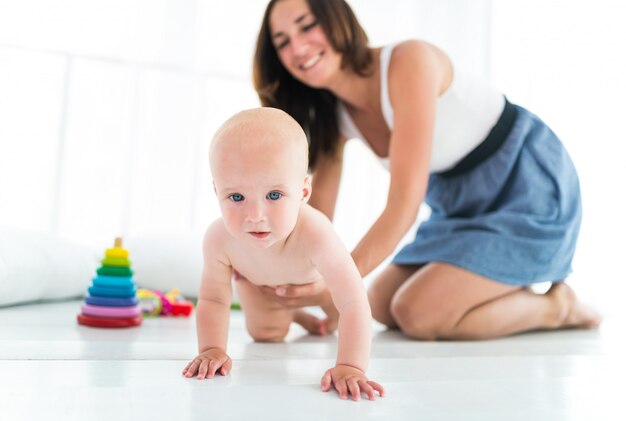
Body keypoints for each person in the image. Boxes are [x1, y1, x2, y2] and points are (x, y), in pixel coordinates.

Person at [249, 0, 602, 340]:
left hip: (524, 186)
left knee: (419, 314)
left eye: (307, 26)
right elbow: (315, 216)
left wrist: (337, 282)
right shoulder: (333, 116)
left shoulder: (409, 62)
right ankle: (493, 284)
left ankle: (558, 308)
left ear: (337, 17)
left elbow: (404, 202)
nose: (298, 47)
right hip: (458, 205)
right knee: (381, 305)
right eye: (283, 43)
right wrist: (282, 277)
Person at [182, 107, 384, 401]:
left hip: (319, 286)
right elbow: (214, 298)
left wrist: (350, 366)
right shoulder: (218, 238)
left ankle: (303, 312)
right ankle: (296, 316)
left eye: (274, 195)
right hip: (257, 283)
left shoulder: (317, 234)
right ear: (217, 192)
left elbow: (354, 300)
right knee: (265, 333)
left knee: (338, 316)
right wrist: (211, 349)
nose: (255, 215)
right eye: (236, 197)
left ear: (303, 192)